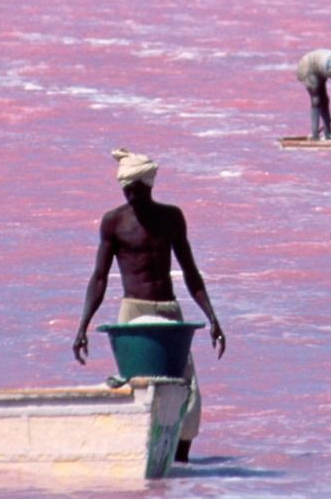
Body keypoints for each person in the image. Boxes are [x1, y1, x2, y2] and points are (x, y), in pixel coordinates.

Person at [72, 149, 227, 462]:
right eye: (126, 189)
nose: (130, 195)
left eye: (136, 189)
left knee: (187, 392)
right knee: (137, 389)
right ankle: (135, 458)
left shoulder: (171, 218)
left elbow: (190, 271)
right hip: (133, 312)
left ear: (149, 186)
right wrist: (82, 327)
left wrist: (212, 318)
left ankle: (179, 466)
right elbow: (99, 278)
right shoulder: (113, 222)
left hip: (169, 312)